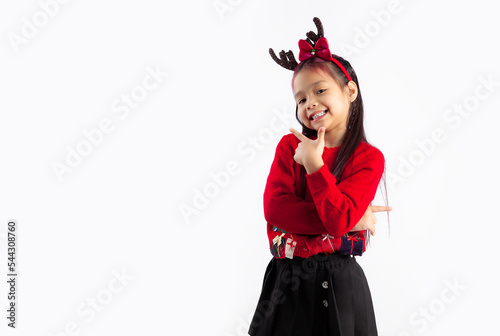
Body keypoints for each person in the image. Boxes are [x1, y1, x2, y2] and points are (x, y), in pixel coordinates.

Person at [248, 17, 392, 336]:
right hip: (285, 281)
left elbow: (335, 218)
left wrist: (314, 166)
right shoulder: (290, 147)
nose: (309, 103)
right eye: (300, 98)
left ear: (350, 90)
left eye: (320, 90)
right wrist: (350, 221)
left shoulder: (367, 158)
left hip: (343, 286)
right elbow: (275, 211)